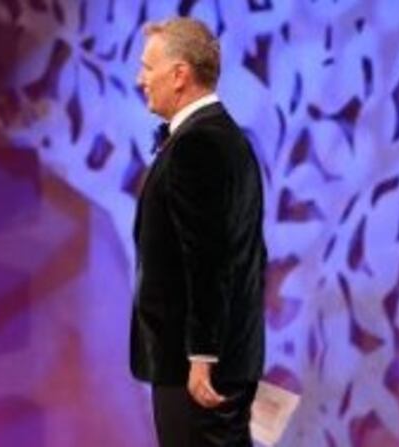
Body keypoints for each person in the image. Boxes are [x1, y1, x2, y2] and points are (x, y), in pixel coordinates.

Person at [130, 17, 267, 446]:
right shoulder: (222, 137)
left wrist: (202, 356)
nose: (140, 79)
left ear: (180, 75)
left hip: (196, 370)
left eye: (147, 67)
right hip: (214, 360)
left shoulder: (198, 145)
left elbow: (209, 258)